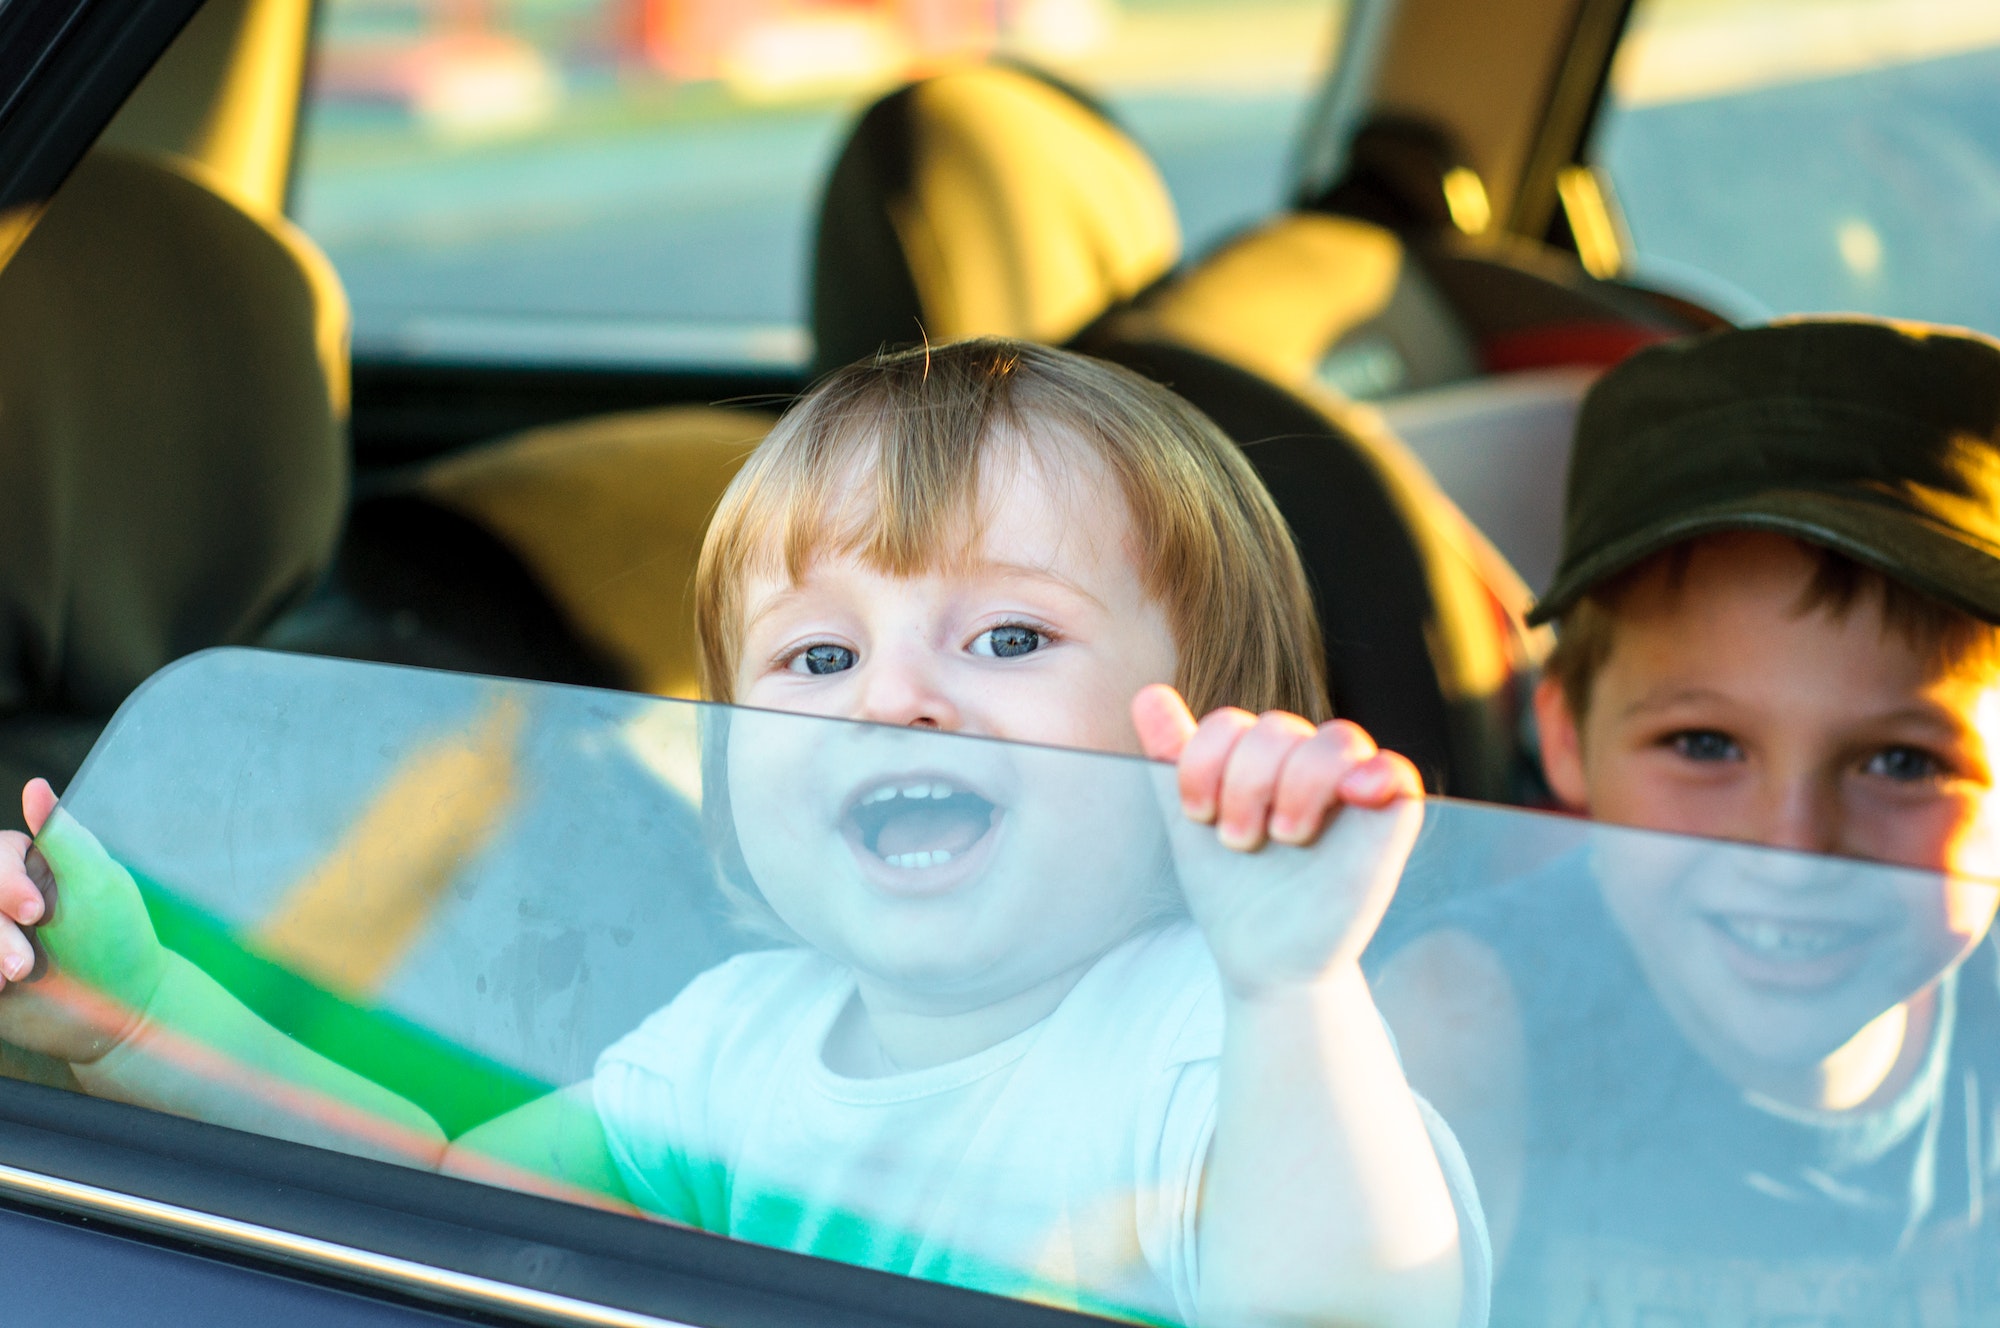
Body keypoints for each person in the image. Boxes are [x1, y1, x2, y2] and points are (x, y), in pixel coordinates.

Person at [0, 339, 1487, 1328]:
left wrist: (1296, 985)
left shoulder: (1226, 1053)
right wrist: (133, 1018)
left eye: (1013, 636)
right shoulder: (733, 1045)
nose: (892, 704)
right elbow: (437, 1202)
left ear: (1208, 733)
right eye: (818, 662)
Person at [1372, 318, 2000, 1327]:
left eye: (1900, 761)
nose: (1789, 848)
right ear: (1567, 737)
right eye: (1704, 744)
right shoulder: (1461, 1025)